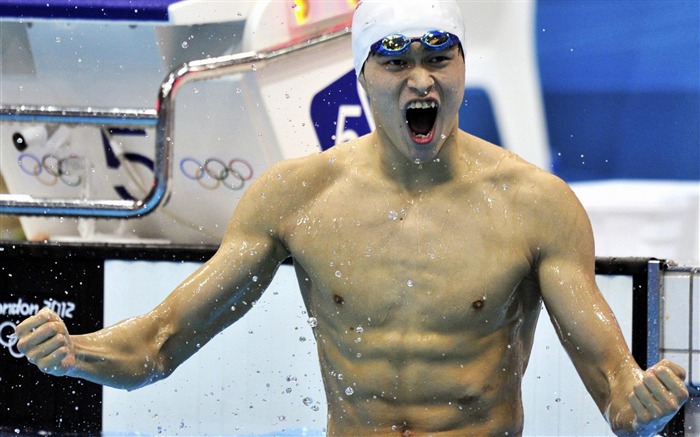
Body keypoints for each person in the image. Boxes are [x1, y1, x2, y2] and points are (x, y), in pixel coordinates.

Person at [15, 1, 688, 435]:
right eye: (396, 61)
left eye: (437, 57)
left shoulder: (535, 205)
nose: (420, 80)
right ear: (362, 78)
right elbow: (157, 345)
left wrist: (646, 400)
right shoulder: (298, 198)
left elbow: (618, 401)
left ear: (462, 66)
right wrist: (76, 352)